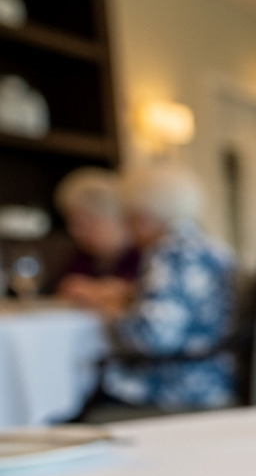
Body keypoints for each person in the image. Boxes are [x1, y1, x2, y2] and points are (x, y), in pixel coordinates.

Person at [92, 163, 237, 411]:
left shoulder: (168, 253)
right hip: (217, 376)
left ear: (145, 216)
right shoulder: (211, 246)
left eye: (130, 219)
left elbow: (154, 337)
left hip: (179, 385)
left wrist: (112, 313)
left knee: (81, 392)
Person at [51, 168, 139, 310]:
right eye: (71, 224)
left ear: (111, 217)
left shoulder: (141, 252)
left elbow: (141, 296)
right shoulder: (83, 256)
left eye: (84, 224)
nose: (75, 232)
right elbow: (64, 289)